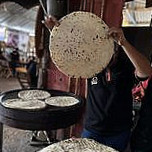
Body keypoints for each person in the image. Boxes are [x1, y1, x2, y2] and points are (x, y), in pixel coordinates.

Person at [43, 17, 152, 151]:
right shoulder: (90, 66)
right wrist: (55, 30)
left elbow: (146, 71)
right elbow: (68, 52)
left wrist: (124, 43)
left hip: (118, 133)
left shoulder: (125, 66)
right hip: (91, 131)